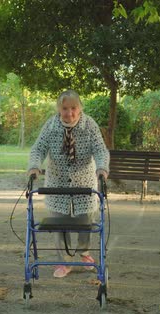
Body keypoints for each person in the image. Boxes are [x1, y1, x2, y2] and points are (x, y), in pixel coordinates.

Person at [28, 89, 110, 278]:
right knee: (59, 223)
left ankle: (84, 253)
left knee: (85, 221)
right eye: (65, 108)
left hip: (84, 182)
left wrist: (102, 168)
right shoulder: (51, 126)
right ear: (59, 109)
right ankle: (64, 261)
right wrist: (34, 166)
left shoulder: (89, 125)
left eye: (73, 108)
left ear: (80, 108)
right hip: (56, 182)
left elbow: (100, 149)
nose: (69, 112)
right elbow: (38, 148)